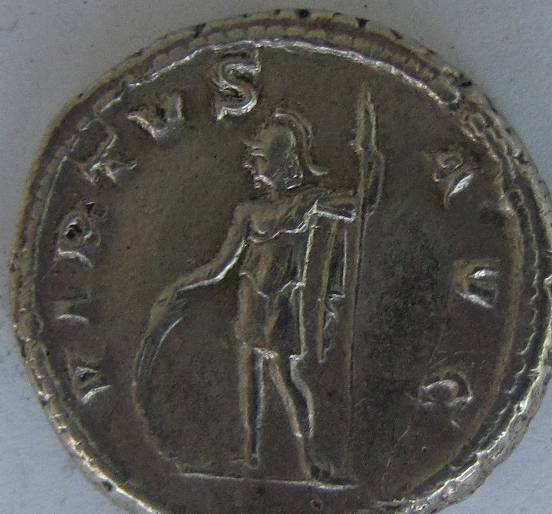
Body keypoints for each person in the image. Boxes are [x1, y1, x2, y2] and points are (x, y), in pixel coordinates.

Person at [139, 107, 375, 481]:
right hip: (251, 297)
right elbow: (219, 267)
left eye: (260, 157)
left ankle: (308, 461)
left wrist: (369, 163)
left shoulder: (306, 202)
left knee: (284, 376)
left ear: (284, 163)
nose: (251, 164)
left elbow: (359, 208)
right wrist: (182, 284)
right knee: (248, 372)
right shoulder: (248, 211)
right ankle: (248, 454)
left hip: (282, 302)